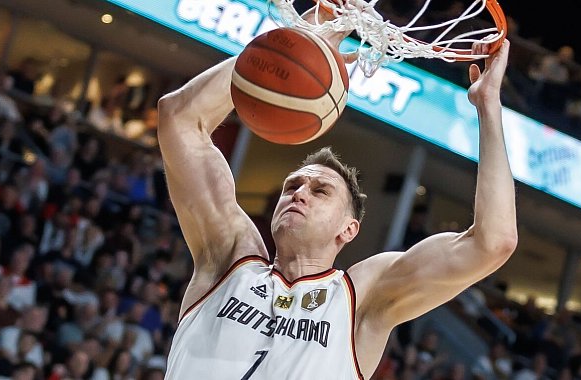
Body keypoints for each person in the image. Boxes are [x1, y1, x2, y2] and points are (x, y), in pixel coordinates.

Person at [157, 8, 517, 379]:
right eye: (292, 185)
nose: (299, 194)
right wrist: (294, 44)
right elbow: (179, 119)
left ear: (347, 229)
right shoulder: (230, 256)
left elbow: (493, 242)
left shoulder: (361, 298)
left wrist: (489, 108)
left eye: (320, 191)